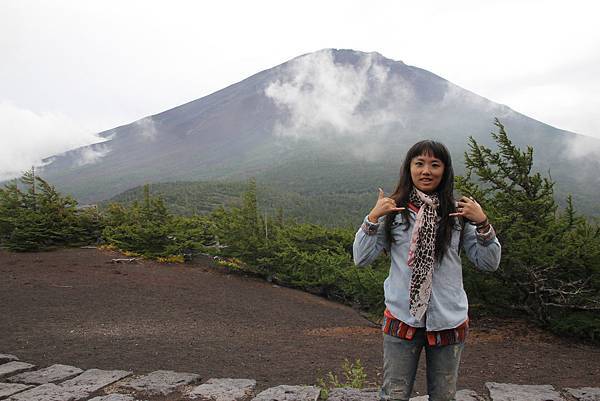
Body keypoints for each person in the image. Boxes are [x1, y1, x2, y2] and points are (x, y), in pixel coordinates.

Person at [353, 140, 501, 401]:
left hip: (447, 321)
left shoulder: (458, 214)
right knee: (394, 395)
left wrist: (483, 223)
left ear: (445, 170)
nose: (426, 171)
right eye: (419, 163)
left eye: (435, 164)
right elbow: (361, 258)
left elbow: (488, 263)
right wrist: (373, 218)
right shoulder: (394, 211)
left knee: (444, 396)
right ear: (408, 168)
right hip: (402, 320)